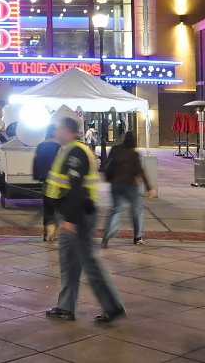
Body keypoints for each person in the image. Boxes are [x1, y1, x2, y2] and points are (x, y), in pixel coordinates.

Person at [43, 116, 125, 324]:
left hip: (78, 216)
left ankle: (113, 306)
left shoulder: (77, 151)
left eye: (59, 128)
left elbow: (76, 187)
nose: (56, 132)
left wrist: (69, 219)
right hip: (73, 215)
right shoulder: (69, 149)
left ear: (68, 131)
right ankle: (65, 307)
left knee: (88, 262)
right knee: (69, 262)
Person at [102, 131, 155, 247]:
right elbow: (140, 172)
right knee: (136, 210)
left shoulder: (115, 149)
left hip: (115, 185)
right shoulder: (134, 154)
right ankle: (138, 237)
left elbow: (107, 165)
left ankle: (107, 236)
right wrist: (149, 188)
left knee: (116, 209)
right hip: (130, 186)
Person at [33, 126, 61, 243]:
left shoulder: (40, 146)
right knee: (57, 208)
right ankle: (54, 231)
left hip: (45, 181)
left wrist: (37, 175)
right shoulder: (59, 147)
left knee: (47, 208)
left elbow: (36, 162)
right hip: (57, 182)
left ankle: (46, 232)